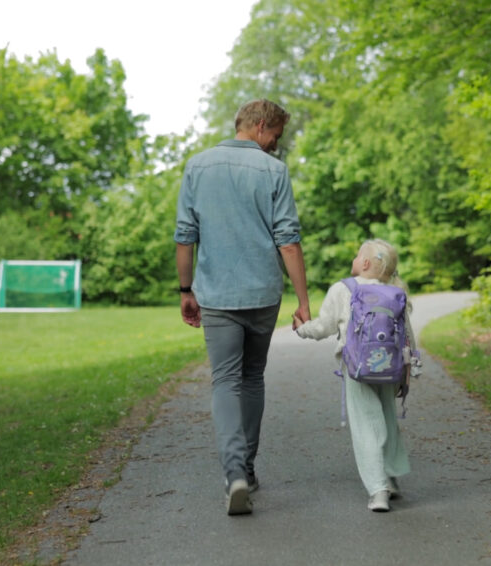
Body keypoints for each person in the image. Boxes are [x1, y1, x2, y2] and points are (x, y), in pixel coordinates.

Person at [174, 99, 311, 516]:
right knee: (252, 378)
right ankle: (247, 470)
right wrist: (304, 301)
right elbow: (287, 239)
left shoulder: (198, 166)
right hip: (262, 294)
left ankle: (234, 472)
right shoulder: (274, 172)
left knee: (226, 381)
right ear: (261, 125)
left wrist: (185, 290)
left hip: (216, 295)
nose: (275, 145)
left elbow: (185, 236)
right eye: (275, 136)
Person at [292, 238, 416, 512]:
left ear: (365, 263)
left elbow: (324, 326)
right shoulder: (395, 292)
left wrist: (302, 329)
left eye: (357, 255)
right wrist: (407, 371)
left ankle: (378, 489)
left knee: (365, 426)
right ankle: (392, 478)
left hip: (357, 367)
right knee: (386, 418)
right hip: (389, 367)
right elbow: (406, 335)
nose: (354, 259)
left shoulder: (343, 288)